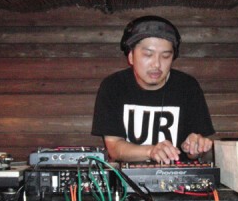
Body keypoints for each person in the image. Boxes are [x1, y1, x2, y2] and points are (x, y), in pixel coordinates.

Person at [91, 15, 215, 165]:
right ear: (131, 56)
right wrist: (151, 151)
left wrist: (194, 149)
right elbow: (114, 147)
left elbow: (194, 155)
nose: (156, 64)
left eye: (165, 56)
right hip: (126, 178)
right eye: (148, 55)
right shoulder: (113, 86)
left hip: (177, 178)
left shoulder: (188, 86)